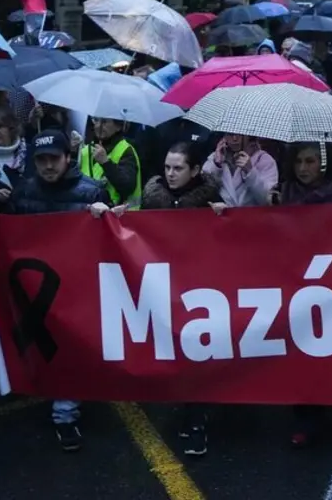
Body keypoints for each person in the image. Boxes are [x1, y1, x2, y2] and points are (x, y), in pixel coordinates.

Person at [0, 129, 112, 451]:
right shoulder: (24, 191)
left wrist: (106, 216)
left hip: (80, 285)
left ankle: (67, 407)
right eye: (41, 160)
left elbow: (114, 237)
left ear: (68, 158)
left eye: (54, 159)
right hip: (41, 290)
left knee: (74, 346)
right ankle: (65, 415)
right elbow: (7, 234)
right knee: (57, 349)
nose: (48, 166)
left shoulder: (92, 192)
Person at [271, 142, 332, 446]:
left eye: (310, 161)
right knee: (301, 350)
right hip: (297, 283)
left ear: (324, 163)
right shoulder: (285, 192)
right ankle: (305, 417)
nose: (303, 168)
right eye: (298, 161)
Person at [138, 142, 222, 454]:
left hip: (200, 289)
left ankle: (196, 420)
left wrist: (225, 216)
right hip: (164, 288)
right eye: (168, 167)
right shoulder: (153, 195)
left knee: (197, 352)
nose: (170, 174)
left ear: (196, 170)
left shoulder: (210, 198)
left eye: (178, 168)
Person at [79, 117, 141, 208]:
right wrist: (73, 153)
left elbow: (128, 187)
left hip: (117, 218)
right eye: (96, 120)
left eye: (104, 122)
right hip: (88, 216)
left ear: (118, 127)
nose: (98, 125)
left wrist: (106, 163)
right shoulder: (85, 151)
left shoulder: (126, 151)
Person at [202, 133, 278, 208]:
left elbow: (267, 200)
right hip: (221, 217)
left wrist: (250, 172)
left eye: (239, 134)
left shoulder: (264, 160)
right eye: (230, 134)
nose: (235, 138)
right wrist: (216, 164)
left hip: (254, 217)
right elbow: (203, 189)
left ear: (248, 135)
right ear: (224, 136)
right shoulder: (216, 157)